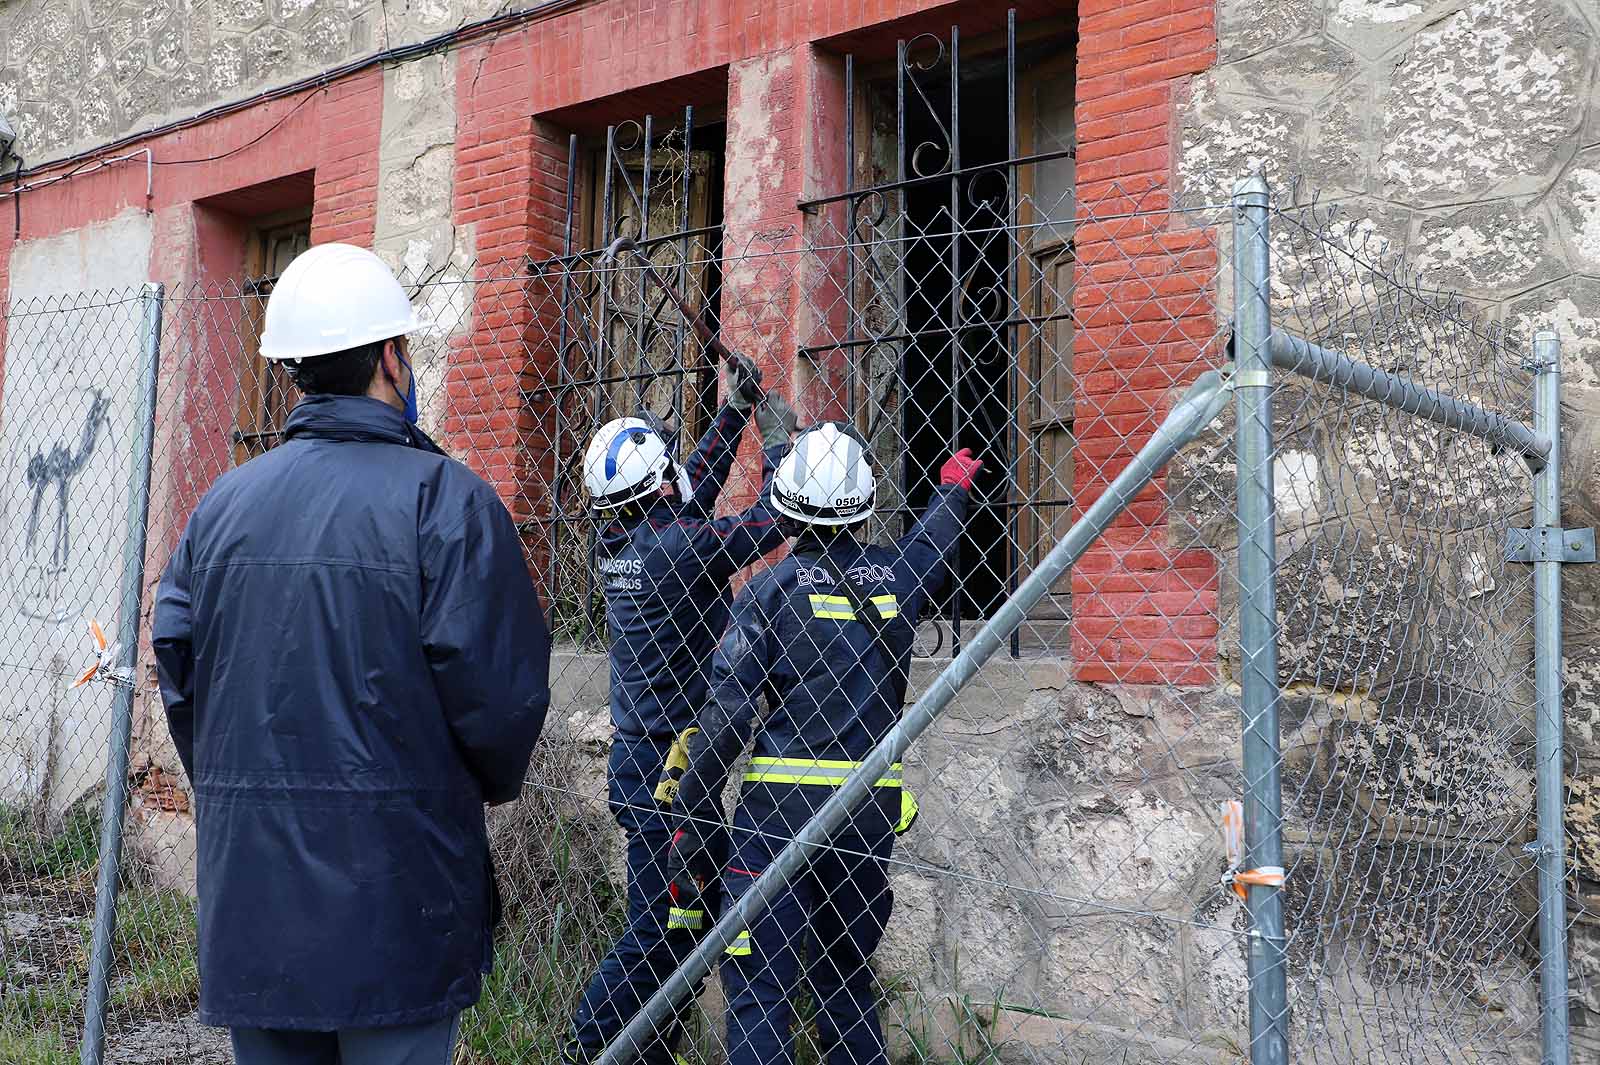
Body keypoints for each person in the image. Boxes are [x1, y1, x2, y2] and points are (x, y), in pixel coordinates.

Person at [152, 243, 551, 1065]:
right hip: (399, 905)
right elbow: (502, 701)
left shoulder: (222, 505)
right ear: (392, 359)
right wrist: (479, 786)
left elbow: (179, 666)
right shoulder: (448, 502)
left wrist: (239, 785)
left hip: (253, 903)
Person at [668, 422, 982, 1065]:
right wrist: (952, 491)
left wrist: (691, 825)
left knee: (760, 993)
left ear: (785, 507)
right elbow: (932, 545)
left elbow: (725, 720)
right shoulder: (896, 580)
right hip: (865, 816)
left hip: (775, 822)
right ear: (865, 507)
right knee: (846, 986)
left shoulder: (768, 593)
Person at [564, 361, 795, 1065]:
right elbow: (774, 519)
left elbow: (691, 485)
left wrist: (736, 410)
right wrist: (781, 446)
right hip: (666, 774)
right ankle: (587, 1042)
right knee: (658, 928)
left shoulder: (632, 542)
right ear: (655, 483)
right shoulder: (677, 550)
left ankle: (645, 1048)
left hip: (654, 764)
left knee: (683, 923)